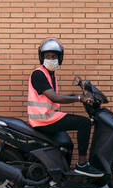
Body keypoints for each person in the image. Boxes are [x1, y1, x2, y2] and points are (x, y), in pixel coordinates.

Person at [27, 38, 104, 177]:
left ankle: (62, 175)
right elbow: (54, 97)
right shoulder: (39, 74)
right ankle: (82, 164)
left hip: (48, 118)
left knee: (67, 143)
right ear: (42, 57)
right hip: (44, 119)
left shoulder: (50, 75)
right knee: (84, 123)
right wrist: (79, 98)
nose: (51, 59)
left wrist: (78, 96)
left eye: (54, 56)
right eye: (48, 56)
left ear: (59, 58)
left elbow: (55, 96)